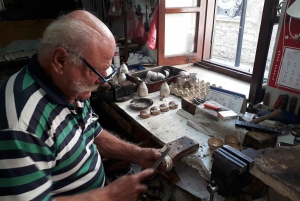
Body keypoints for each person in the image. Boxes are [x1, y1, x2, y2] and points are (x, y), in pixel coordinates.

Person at [0, 10, 163, 201]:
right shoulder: (22, 124)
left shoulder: (70, 87)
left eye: (106, 72)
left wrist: (139, 155)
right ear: (60, 60)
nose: (103, 83)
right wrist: (108, 196)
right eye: (97, 72)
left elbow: (92, 133)